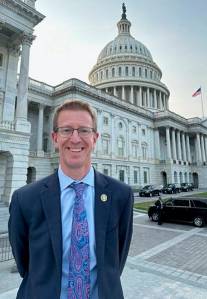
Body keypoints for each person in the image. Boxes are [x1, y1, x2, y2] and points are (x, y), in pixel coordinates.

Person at [8, 99, 134, 299]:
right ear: (55, 137)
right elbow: (24, 263)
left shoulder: (121, 195)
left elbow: (116, 261)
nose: (75, 139)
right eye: (67, 130)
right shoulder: (25, 199)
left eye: (84, 130)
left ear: (95, 137)